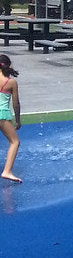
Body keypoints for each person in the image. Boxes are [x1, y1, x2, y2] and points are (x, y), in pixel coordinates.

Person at [0, 54, 21, 183]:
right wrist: (17, 120)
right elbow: (16, 103)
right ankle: (7, 171)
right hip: (2, 114)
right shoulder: (11, 82)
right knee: (14, 142)